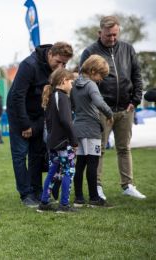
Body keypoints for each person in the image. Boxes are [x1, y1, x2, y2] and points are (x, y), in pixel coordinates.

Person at [80, 15, 146, 199]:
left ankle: (128, 186)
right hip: (101, 109)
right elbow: (83, 80)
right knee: (98, 149)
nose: (112, 38)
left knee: (124, 148)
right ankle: (97, 186)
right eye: (108, 35)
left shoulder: (128, 49)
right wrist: (95, 104)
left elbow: (137, 75)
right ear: (100, 32)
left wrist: (136, 100)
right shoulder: (89, 52)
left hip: (126, 108)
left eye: (115, 35)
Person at [6, 42, 73, 207]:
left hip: (38, 116)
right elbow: (18, 96)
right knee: (20, 154)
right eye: (58, 62)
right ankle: (26, 194)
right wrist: (24, 125)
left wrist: (37, 125)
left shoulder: (55, 71)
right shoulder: (29, 65)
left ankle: (37, 191)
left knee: (37, 154)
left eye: (64, 64)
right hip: (18, 114)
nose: (61, 66)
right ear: (50, 54)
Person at [72, 55, 114, 207]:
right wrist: (109, 114)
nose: (100, 80)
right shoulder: (91, 85)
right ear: (93, 70)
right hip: (91, 130)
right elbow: (99, 102)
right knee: (92, 164)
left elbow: (72, 106)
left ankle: (78, 199)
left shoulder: (74, 83)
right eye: (100, 75)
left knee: (80, 165)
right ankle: (95, 199)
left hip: (78, 129)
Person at [37, 68, 78, 213]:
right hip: (63, 143)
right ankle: (64, 205)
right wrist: (74, 142)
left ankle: (44, 203)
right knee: (69, 171)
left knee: (53, 172)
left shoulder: (51, 97)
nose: (72, 86)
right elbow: (67, 122)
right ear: (63, 81)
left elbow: (49, 123)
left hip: (52, 142)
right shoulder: (63, 98)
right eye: (71, 82)